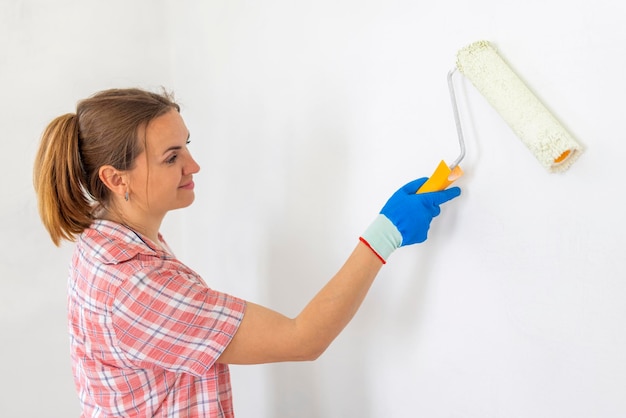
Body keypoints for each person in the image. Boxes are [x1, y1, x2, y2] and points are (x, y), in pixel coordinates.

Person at [33, 88, 461, 417]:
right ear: (115, 178)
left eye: (186, 145)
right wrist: (385, 233)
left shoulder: (104, 240)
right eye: (171, 157)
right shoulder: (135, 286)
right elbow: (303, 339)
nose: (193, 165)